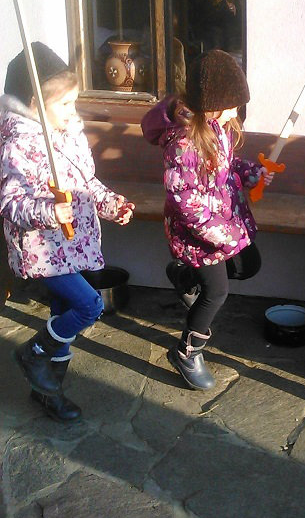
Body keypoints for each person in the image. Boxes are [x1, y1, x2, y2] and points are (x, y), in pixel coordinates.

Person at [0, 43, 134, 422]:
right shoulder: (18, 143)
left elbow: (86, 183)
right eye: (64, 104)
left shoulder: (68, 132)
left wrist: (111, 204)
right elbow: (10, 201)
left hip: (72, 244)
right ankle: (33, 354)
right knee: (89, 305)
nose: (73, 111)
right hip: (42, 250)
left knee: (62, 312)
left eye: (74, 102)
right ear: (35, 104)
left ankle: (48, 391)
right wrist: (47, 211)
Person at [141, 49, 272, 390]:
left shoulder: (217, 127)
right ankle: (187, 351)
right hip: (196, 233)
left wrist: (252, 173)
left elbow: (227, 165)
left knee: (249, 264)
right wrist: (223, 235)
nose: (235, 113)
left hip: (223, 221)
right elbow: (185, 203)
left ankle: (185, 278)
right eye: (231, 106)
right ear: (211, 102)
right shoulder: (183, 144)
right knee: (216, 293)